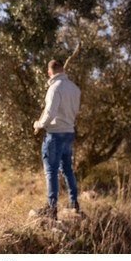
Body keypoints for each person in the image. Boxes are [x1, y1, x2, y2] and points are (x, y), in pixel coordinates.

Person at [33, 59, 81, 220]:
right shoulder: (74, 88)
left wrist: (39, 124)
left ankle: (51, 208)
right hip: (69, 132)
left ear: (49, 72)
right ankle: (74, 203)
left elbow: (50, 113)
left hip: (55, 134)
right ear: (64, 69)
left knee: (51, 171)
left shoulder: (54, 88)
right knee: (67, 169)